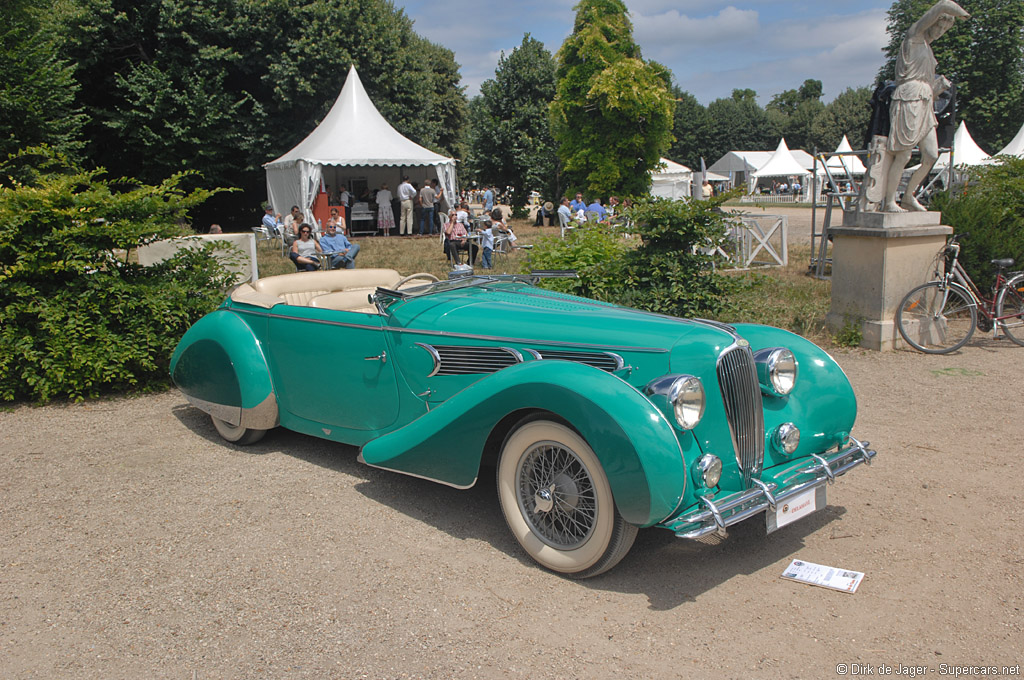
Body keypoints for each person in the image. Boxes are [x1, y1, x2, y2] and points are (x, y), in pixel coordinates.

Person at [881, 0, 969, 212]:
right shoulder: (914, 37)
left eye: (945, 29)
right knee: (903, 154)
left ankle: (908, 196)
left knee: (931, 155)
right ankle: (889, 201)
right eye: (939, 26)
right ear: (931, 23)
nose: (941, 31)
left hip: (925, 102)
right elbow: (942, 5)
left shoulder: (928, 49)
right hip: (909, 98)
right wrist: (960, 12)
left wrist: (936, 88)